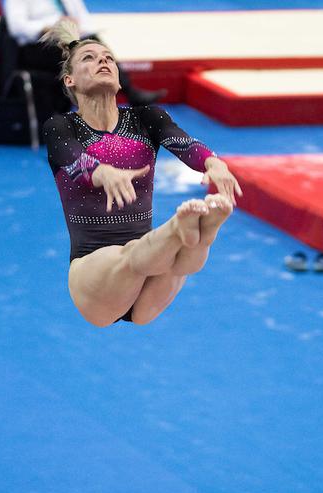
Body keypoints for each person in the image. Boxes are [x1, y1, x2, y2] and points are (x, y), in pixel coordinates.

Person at [41, 21, 243, 327]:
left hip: (152, 270)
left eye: (108, 58)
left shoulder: (146, 118)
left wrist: (213, 163)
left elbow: (184, 142)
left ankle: (201, 230)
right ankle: (184, 228)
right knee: (138, 256)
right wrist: (102, 172)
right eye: (90, 58)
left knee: (178, 261)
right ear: (70, 80)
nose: (103, 62)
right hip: (93, 271)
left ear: (120, 80)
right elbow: (71, 159)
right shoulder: (61, 126)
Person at [3, 0, 164, 109]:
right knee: (86, 53)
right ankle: (119, 96)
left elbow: (84, 20)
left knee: (96, 46)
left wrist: (78, 30)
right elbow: (16, 26)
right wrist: (50, 27)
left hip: (69, 39)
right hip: (39, 45)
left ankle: (123, 92)